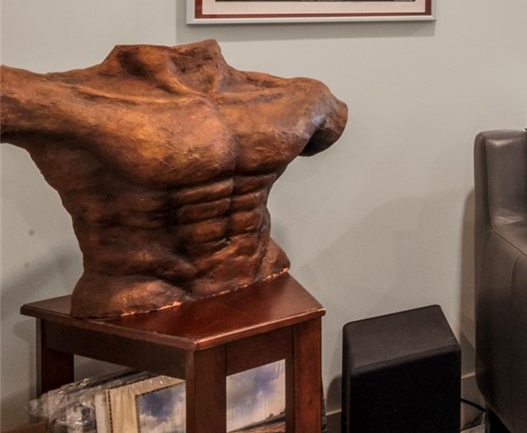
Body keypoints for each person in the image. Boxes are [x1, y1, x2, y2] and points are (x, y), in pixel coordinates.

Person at [0, 42, 346, 317]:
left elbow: (327, 131)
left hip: (262, 269)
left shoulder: (300, 97)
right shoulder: (56, 100)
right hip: (142, 291)